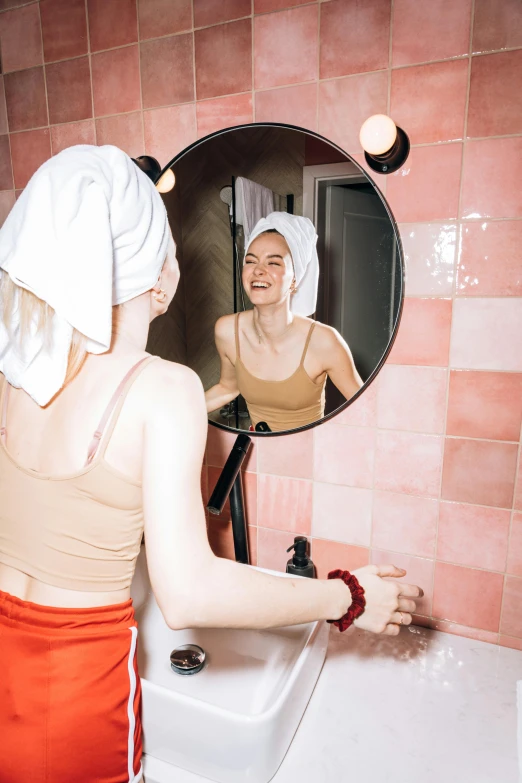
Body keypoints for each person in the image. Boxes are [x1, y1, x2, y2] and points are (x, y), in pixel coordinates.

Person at [0, 147, 422, 783]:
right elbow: (189, 593)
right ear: (152, 264)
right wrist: (348, 595)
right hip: (74, 702)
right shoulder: (161, 389)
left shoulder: (15, 371)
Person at [205, 213, 363, 431]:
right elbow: (227, 388)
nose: (258, 270)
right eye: (250, 261)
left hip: (309, 459)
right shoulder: (227, 331)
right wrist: (175, 409)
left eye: (273, 263)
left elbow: (365, 411)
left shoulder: (324, 341)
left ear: (294, 280)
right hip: (258, 458)